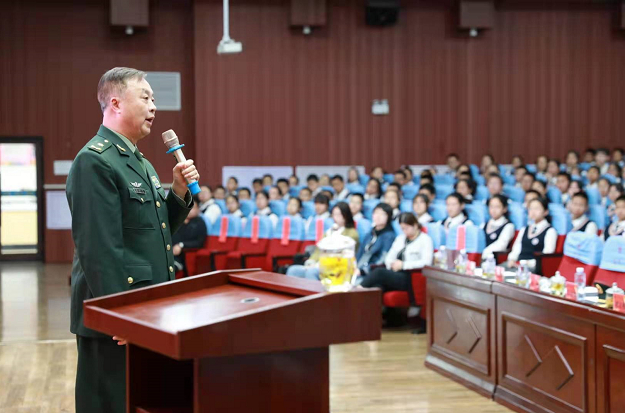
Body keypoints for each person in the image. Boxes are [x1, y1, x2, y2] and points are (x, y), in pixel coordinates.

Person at [66, 67, 197, 413]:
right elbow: (98, 249)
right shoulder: (95, 161)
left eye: (154, 99)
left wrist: (178, 191)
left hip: (144, 310)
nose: (154, 106)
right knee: (110, 403)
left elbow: (157, 232)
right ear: (116, 103)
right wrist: (118, 314)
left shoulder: (140, 163)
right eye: (145, 97)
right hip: (116, 317)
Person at [360, 212, 434, 309]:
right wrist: (392, 264)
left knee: (379, 272)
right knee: (377, 286)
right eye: (402, 228)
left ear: (415, 225)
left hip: (410, 276)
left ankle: (358, 289)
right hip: (395, 272)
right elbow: (389, 257)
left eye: (406, 228)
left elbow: (427, 262)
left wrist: (403, 265)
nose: (404, 231)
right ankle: (373, 316)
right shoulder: (400, 238)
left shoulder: (425, 240)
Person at [287, 202, 360, 280]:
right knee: (293, 270)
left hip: (336, 266)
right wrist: (312, 261)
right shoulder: (329, 231)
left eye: (339, 214)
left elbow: (344, 253)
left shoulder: (352, 233)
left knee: (312, 272)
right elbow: (318, 250)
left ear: (346, 215)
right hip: (320, 264)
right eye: (334, 214)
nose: (336, 217)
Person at [506, 197, 557, 271]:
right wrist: (511, 259)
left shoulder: (550, 231)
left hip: (534, 267)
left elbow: (546, 255)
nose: (533, 211)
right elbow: (516, 248)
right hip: (518, 265)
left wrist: (527, 263)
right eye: (530, 208)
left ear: (546, 212)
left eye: (537, 208)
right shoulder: (524, 229)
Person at [356, 203, 397, 277]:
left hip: (372, 272)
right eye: (376, 213)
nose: (378, 216)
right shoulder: (371, 233)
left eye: (382, 214)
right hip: (359, 268)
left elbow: (383, 259)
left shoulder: (389, 236)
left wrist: (363, 271)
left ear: (388, 217)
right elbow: (361, 251)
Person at [172, 195, 208, 275]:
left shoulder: (200, 223)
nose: (189, 210)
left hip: (182, 257)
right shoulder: (178, 221)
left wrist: (182, 245)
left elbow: (199, 242)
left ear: (198, 209)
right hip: (169, 255)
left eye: (192, 207)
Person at [482, 195, 515, 260]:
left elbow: (501, 245)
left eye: (497, 207)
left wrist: (482, 254)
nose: (493, 210)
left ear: (505, 209)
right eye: (491, 206)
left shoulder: (509, 226)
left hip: (495, 260)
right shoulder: (484, 224)